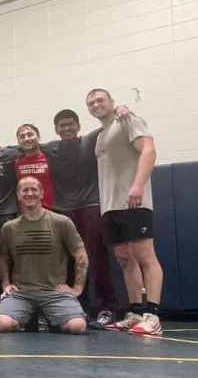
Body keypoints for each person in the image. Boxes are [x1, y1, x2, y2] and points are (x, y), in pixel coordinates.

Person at [87, 88, 163, 335]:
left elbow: (149, 150)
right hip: (110, 207)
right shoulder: (100, 136)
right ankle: (135, 312)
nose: (96, 104)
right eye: (91, 102)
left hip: (133, 202)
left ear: (112, 102)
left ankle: (153, 315)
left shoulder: (128, 120)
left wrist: (138, 185)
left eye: (100, 100)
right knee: (125, 260)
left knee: (145, 256)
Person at [40, 109, 117, 327]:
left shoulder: (90, 140)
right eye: (62, 126)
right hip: (63, 210)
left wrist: (119, 109)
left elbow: (111, 123)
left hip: (90, 206)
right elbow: (20, 146)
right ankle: (77, 306)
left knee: (97, 259)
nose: (66, 129)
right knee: (69, 261)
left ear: (78, 125)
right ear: (56, 129)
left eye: (70, 124)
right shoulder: (51, 148)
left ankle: (107, 307)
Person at [0, 177, 89, 335]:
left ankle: (52, 319)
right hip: (22, 293)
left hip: (55, 293)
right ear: (18, 195)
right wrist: (5, 284)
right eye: (25, 190)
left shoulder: (61, 222)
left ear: (42, 193)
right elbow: (2, 257)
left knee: (77, 326)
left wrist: (77, 288)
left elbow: (80, 254)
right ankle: (28, 317)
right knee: (2, 324)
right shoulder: (9, 227)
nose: (29, 193)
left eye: (34, 189)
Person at [14, 124, 55, 210]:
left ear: (38, 137)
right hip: (27, 212)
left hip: (52, 211)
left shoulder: (50, 157)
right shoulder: (17, 162)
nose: (26, 139)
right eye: (22, 137)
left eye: (30, 135)